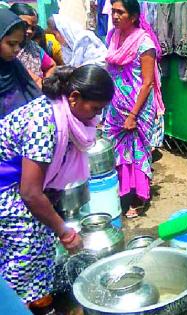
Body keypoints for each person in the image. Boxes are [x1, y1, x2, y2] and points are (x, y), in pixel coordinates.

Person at [0, 64, 114, 311]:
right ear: (74, 98)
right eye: (95, 109)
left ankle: (37, 304)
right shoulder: (44, 123)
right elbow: (30, 192)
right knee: (23, 259)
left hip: (24, 190)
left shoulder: (64, 115)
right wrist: (64, 231)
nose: (97, 117)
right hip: (8, 193)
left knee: (42, 253)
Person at [104, 0, 164, 218]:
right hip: (115, 106)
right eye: (113, 11)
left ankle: (139, 197)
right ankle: (123, 191)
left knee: (137, 151)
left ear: (134, 16)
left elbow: (147, 82)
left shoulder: (144, 42)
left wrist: (133, 115)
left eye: (121, 12)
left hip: (137, 109)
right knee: (116, 152)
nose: (115, 15)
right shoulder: (112, 37)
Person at [0, 9, 41, 118]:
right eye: (12, 44)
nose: (17, 49)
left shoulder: (14, 67)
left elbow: (35, 96)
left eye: (19, 43)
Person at [10, 3, 56, 87]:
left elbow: (51, 66)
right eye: (25, 25)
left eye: (33, 28)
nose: (30, 31)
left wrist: (44, 83)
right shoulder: (4, 48)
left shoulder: (34, 48)